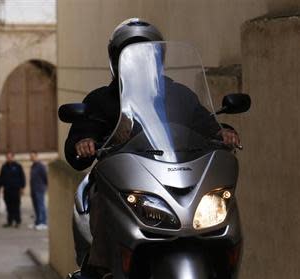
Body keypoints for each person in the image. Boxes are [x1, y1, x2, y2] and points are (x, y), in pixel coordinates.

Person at [64, 18, 241, 277]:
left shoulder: (179, 94)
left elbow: (205, 123)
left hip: (174, 179)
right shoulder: (101, 100)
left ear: (159, 58)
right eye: (130, 56)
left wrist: (222, 131)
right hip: (125, 187)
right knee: (103, 204)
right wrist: (85, 143)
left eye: (148, 55)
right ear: (116, 60)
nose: (140, 62)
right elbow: (81, 136)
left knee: (221, 204)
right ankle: (99, 270)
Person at [0, 152, 25, 228]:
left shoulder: (18, 166)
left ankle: (18, 221)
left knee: (16, 206)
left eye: (10, 157)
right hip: (7, 190)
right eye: (7, 157)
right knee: (9, 206)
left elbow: (22, 177)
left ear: (13, 157)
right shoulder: (4, 167)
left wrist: (22, 187)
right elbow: (1, 178)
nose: (8, 158)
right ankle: (10, 221)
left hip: (15, 190)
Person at [29, 151, 48, 230]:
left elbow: (45, 177)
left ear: (37, 156)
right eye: (31, 156)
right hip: (33, 189)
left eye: (33, 156)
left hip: (39, 189)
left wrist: (45, 187)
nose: (31, 158)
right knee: (36, 206)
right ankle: (37, 222)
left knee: (41, 206)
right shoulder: (33, 166)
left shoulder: (41, 166)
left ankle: (43, 223)